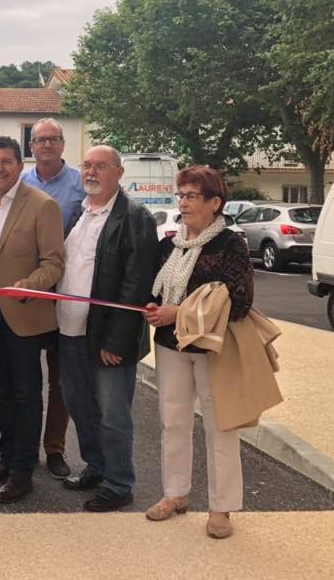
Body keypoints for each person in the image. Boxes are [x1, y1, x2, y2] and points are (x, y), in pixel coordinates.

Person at [144, 166, 253, 539]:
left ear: (215, 203)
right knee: (173, 421)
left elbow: (239, 301)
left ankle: (221, 508)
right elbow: (157, 292)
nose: (183, 202)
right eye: (181, 195)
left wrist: (180, 312)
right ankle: (175, 494)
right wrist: (154, 307)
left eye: (191, 196)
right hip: (170, 345)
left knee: (219, 426)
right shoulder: (169, 244)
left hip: (212, 348)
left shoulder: (230, 244)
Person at [56, 145, 158, 512]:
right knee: (79, 404)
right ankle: (96, 466)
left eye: (101, 166)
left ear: (118, 173)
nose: (91, 172)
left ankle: (119, 483)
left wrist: (116, 340)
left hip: (107, 337)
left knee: (113, 413)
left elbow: (136, 284)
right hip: (69, 329)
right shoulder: (78, 213)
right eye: (87, 165)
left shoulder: (134, 217)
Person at [0, 137, 65, 503]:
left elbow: (55, 262)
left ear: (19, 165)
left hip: (23, 312)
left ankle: (23, 472)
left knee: (27, 395)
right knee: (1, 392)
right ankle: (7, 459)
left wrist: (31, 284)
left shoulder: (43, 206)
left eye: (5, 161)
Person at [18, 117, 84, 479]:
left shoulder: (79, 185)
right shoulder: (19, 183)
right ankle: (21, 447)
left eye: (52, 139)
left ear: (62, 144)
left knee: (61, 379)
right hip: (28, 292)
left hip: (66, 290)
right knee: (24, 379)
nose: (46, 145)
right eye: (39, 140)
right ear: (31, 147)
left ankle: (55, 448)